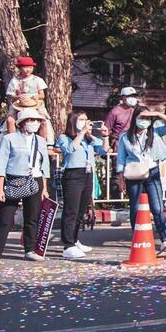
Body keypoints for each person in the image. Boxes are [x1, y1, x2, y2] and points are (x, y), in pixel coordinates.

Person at [0, 107, 50, 266]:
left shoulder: (40, 141)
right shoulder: (9, 139)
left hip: (35, 179)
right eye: (31, 120)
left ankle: (30, 249)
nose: (35, 123)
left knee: (32, 218)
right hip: (14, 179)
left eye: (37, 120)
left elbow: (44, 165)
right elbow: (1, 164)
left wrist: (44, 188)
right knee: (5, 218)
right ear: (22, 123)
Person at [116, 105, 166, 251]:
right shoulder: (125, 137)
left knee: (157, 207)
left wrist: (156, 113)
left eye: (148, 119)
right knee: (135, 208)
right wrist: (120, 178)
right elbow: (121, 158)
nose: (145, 121)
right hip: (133, 173)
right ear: (135, 118)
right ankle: (137, 238)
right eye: (142, 118)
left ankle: (164, 239)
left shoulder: (154, 132)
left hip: (152, 172)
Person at [54, 111, 105, 260]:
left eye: (86, 119)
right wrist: (82, 133)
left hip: (87, 173)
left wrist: (105, 135)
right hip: (73, 174)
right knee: (71, 210)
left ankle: (75, 239)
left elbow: (103, 149)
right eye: (81, 119)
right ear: (73, 121)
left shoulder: (89, 138)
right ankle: (68, 244)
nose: (85, 121)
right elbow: (70, 149)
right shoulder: (65, 137)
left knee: (81, 210)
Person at [4, 56, 51, 137]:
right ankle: (12, 141)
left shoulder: (37, 80)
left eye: (30, 67)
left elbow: (42, 95)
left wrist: (37, 97)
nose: (28, 70)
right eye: (25, 67)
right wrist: (18, 97)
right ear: (20, 68)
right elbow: (11, 95)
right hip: (19, 104)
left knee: (44, 121)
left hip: (35, 104)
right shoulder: (15, 80)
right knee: (10, 120)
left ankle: (44, 143)